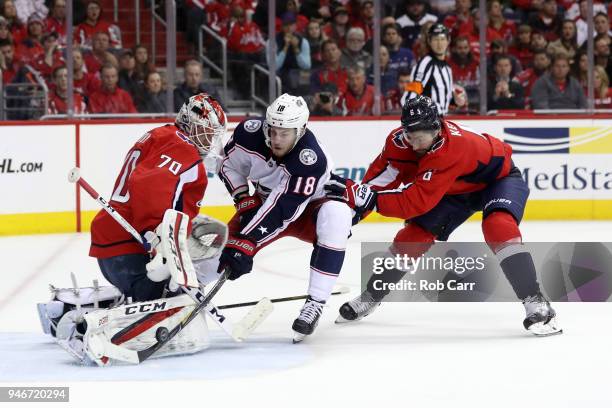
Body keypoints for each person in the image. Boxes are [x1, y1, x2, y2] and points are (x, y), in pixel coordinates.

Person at [324, 95, 562, 337]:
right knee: (413, 236)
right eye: (409, 136)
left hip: (497, 180)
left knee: (497, 226)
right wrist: (353, 210)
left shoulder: (450, 150)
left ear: (436, 129)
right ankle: (371, 296)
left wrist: (370, 202)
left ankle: (537, 303)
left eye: (420, 138)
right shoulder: (399, 142)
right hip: (453, 187)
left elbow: (413, 202)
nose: (414, 145)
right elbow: (375, 183)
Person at [210, 93, 353, 342]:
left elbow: (284, 208)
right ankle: (180, 296)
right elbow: (227, 165)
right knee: (220, 251)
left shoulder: (311, 159)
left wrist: (248, 240)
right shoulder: (248, 134)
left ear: (301, 130)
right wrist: (243, 199)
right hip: (266, 204)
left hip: (308, 208)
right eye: (273, 130)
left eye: (284, 133)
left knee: (338, 215)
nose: (276, 139)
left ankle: (315, 303)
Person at [89, 93, 227, 301]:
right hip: (130, 249)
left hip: (115, 243)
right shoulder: (184, 149)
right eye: (208, 133)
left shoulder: (163, 134)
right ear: (192, 124)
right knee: (214, 245)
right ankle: (178, 296)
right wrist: (159, 236)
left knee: (212, 231)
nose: (210, 142)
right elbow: (147, 185)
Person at [403, 23, 454, 115]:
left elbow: (444, 100)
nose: (439, 44)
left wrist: (456, 101)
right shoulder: (425, 64)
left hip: (442, 120)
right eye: (435, 39)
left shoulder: (447, 68)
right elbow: (409, 97)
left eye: (442, 39)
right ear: (429, 41)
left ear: (448, 40)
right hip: (429, 123)